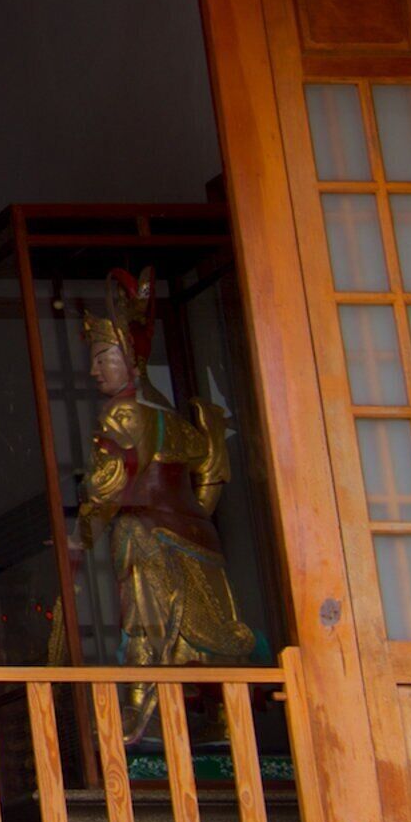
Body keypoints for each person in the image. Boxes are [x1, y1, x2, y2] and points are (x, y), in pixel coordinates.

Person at [77, 273, 263, 668]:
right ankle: (217, 715)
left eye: (102, 358)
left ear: (130, 358)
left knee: (149, 632)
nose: (94, 370)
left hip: (147, 536)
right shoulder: (173, 417)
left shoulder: (123, 412)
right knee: (209, 642)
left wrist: (80, 535)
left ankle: (144, 709)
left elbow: (105, 487)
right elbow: (209, 472)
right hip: (200, 536)